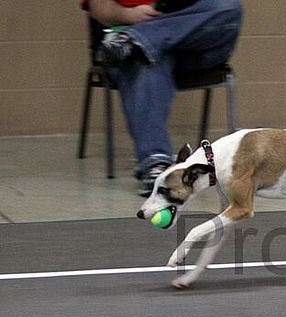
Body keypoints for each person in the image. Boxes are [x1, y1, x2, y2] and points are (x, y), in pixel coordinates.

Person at [80, 0, 243, 196]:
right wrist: (129, 16)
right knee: (143, 60)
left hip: (191, 44)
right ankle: (155, 164)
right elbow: (99, 8)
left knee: (229, 7)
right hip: (132, 51)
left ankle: (137, 39)